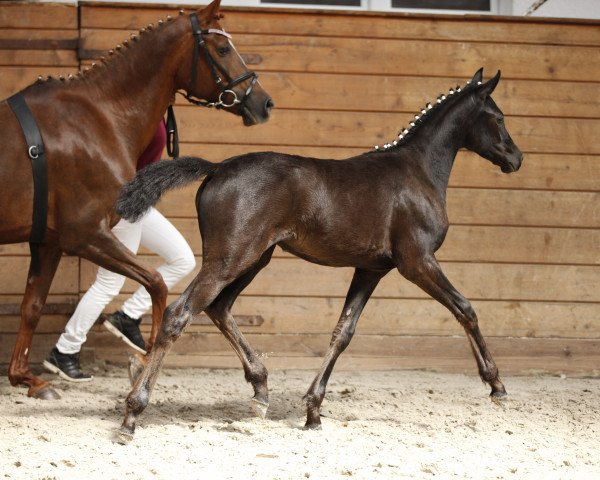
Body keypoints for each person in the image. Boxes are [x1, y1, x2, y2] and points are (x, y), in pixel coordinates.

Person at [43, 121, 195, 381]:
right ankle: (65, 350)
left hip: (140, 204)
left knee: (183, 259)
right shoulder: (138, 115)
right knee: (108, 283)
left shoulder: (157, 115)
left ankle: (128, 316)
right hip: (125, 202)